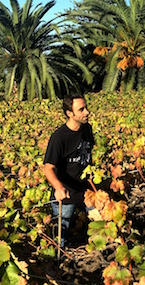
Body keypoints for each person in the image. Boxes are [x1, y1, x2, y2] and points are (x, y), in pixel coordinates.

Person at [43, 93, 95, 248]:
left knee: (101, 226)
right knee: (60, 239)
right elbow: (48, 168)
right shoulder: (59, 138)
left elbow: (88, 156)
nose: (87, 112)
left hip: (86, 192)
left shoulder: (87, 129)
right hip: (65, 196)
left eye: (86, 108)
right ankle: (60, 267)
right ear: (69, 114)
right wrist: (58, 187)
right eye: (81, 109)